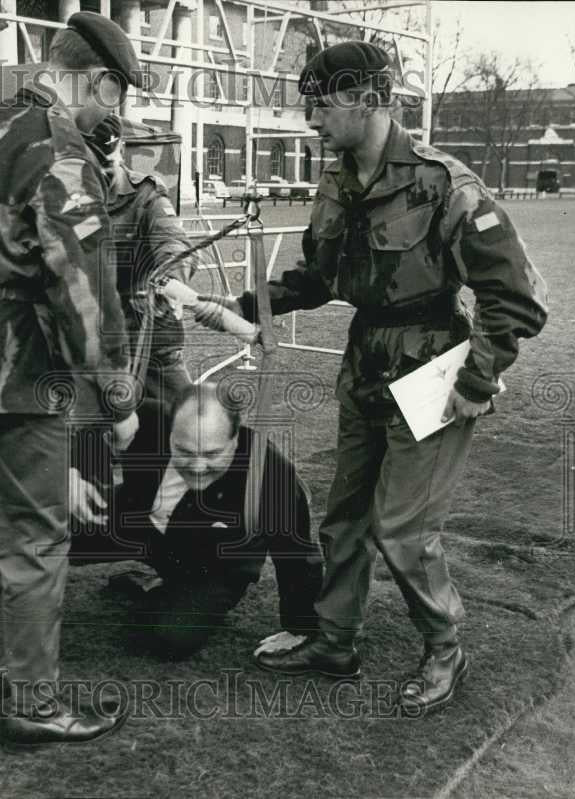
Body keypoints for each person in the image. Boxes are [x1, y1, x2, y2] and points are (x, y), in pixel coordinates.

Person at [196, 41, 548, 714]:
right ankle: (335, 639)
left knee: (403, 529)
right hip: (366, 365)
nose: (311, 121)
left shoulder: (443, 184)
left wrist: (477, 381)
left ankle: (445, 648)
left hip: (434, 367)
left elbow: (517, 298)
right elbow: (318, 278)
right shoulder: (336, 182)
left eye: (321, 105)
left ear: (369, 100)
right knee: (347, 517)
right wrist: (242, 307)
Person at [0, 12, 143, 747]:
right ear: (100, 81)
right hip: (13, 363)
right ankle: (34, 701)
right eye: (117, 96)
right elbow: (82, 288)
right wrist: (117, 398)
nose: (115, 113)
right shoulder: (59, 149)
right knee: (38, 538)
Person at [68, 382, 322, 659]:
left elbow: (296, 553)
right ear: (170, 430)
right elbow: (91, 421)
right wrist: (75, 471)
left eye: (212, 454)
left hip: (212, 565)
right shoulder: (144, 418)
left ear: (235, 438)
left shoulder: (271, 472)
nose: (198, 467)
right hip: (137, 522)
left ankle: (160, 589)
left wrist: (300, 627)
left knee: (169, 640)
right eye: (185, 451)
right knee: (53, 524)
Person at [85, 113, 195, 404]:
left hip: (148, 338)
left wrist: (169, 280)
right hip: (92, 343)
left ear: (120, 150)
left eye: (106, 166)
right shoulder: (70, 199)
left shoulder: (146, 194)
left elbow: (174, 243)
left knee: (192, 423)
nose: (98, 176)